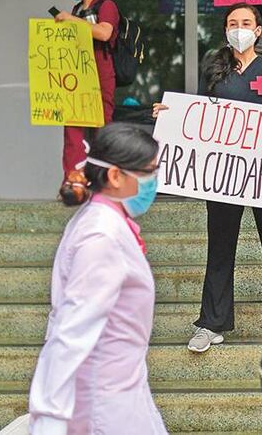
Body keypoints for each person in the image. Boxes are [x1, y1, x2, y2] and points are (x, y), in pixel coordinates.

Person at [155, 3, 262, 353]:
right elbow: (205, 117)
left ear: (259, 30)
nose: (239, 27)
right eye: (233, 22)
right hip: (224, 173)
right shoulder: (216, 68)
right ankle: (211, 323)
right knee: (220, 248)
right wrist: (172, 114)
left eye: (246, 22)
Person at [28, 123, 167, 434]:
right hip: (105, 407)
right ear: (115, 176)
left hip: (121, 394)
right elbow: (70, 332)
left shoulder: (105, 222)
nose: (153, 182)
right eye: (148, 172)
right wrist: (49, 418)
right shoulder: (101, 236)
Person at [54, 0, 119, 189]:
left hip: (99, 74)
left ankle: (103, 180)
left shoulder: (106, 6)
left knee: (101, 128)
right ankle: (74, 180)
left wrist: (71, 20)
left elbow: (103, 33)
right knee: (72, 130)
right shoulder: (77, 9)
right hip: (76, 76)